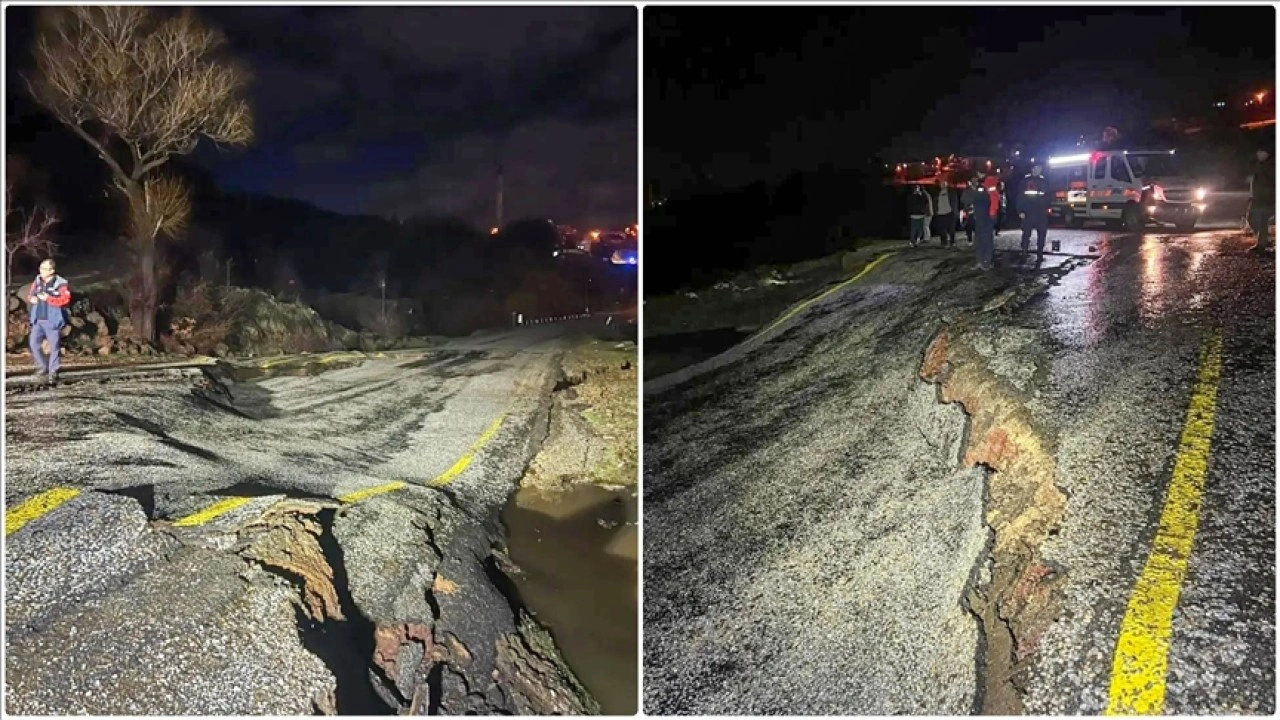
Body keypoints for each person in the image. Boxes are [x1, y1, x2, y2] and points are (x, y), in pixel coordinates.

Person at [27, 258, 72, 384]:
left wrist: (48, 299)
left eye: (44, 269)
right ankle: (43, 366)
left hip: (52, 320)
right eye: (40, 268)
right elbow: (30, 294)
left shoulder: (61, 283)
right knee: (33, 344)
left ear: (51, 271)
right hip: (38, 319)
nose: (40, 271)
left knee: (54, 347)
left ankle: (53, 371)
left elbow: (65, 300)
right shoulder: (37, 281)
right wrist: (32, 299)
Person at [962, 173, 997, 270]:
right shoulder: (978, 188)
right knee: (978, 240)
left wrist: (992, 214)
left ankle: (987, 262)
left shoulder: (986, 185)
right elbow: (966, 200)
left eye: (977, 176)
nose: (976, 179)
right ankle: (980, 261)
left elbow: (988, 199)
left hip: (987, 217)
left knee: (986, 240)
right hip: (979, 218)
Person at [1019, 163, 1051, 264]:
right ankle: (1024, 252)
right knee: (1026, 234)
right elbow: (1020, 196)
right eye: (1037, 168)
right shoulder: (1026, 180)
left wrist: (1047, 207)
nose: (1038, 170)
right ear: (1032, 169)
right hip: (1028, 211)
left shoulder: (1044, 180)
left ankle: (1040, 253)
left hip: (1041, 212)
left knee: (1042, 234)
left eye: (1040, 168)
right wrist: (1020, 210)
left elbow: (1048, 195)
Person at [1247, 148, 1274, 255]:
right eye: (1258, 152)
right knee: (1252, 218)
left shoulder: (1270, 166)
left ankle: (1262, 243)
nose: (1259, 154)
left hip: (1267, 197)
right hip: (1257, 197)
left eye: (1262, 152)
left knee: (1261, 220)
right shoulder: (1258, 164)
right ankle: (1263, 241)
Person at [933, 178, 959, 247]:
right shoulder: (937, 192)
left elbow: (955, 202)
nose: (943, 184)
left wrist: (955, 212)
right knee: (942, 229)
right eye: (941, 183)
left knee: (951, 229)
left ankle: (952, 242)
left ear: (947, 183)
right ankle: (944, 242)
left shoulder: (951, 191)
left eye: (944, 183)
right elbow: (935, 203)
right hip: (940, 213)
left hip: (950, 213)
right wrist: (935, 211)